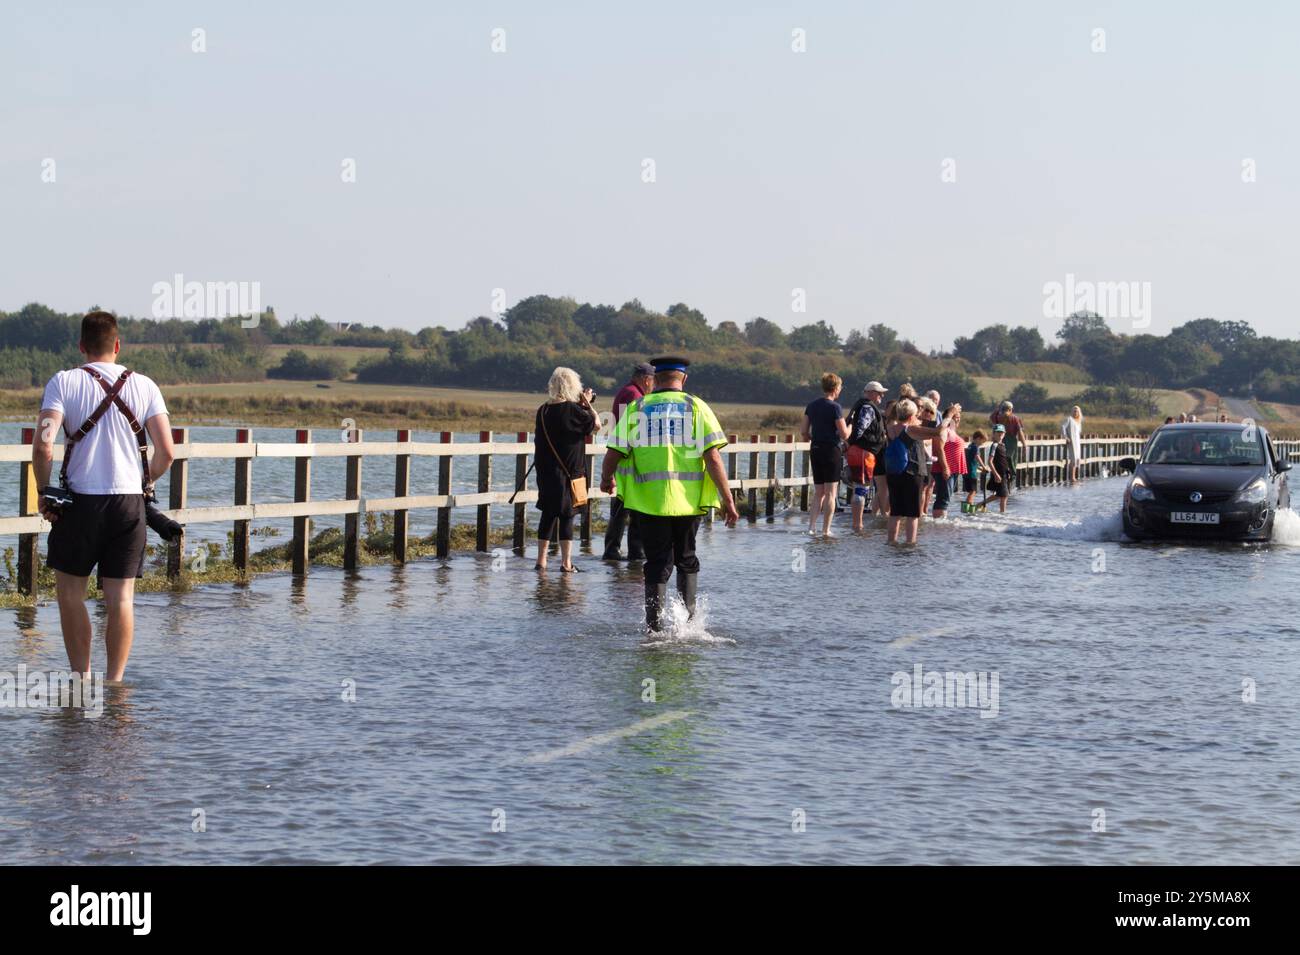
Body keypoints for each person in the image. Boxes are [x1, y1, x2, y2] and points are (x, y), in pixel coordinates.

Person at [33, 310, 175, 683]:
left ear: (81, 346)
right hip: (129, 505)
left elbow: (44, 446)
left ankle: (82, 680)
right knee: (121, 599)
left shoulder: (63, 382)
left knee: (70, 595)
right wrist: (145, 483)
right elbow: (167, 452)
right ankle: (114, 685)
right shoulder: (146, 386)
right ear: (117, 345)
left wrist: (44, 492)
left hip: (80, 504)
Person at [599, 356, 739, 631]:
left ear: (655, 380)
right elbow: (713, 457)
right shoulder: (695, 406)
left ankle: (654, 628)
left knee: (656, 563)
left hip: (649, 502)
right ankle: (688, 625)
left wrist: (606, 479)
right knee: (686, 558)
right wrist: (728, 499)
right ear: (683, 379)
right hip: (688, 503)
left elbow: (614, 451)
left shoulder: (638, 407)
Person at [533, 367, 597, 573]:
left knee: (548, 514)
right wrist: (587, 403)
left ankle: (541, 560)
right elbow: (595, 425)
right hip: (571, 471)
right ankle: (566, 562)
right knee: (567, 515)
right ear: (573, 386)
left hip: (546, 471)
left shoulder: (543, 410)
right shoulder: (575, 410)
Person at [601, 361, 656, 561]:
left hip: (622, 458)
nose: (654, 387)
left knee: (621, 507)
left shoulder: (626, 391)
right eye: (653, 382)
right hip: (631, 460)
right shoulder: (635, 396)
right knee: (631, 508)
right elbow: (634, 432)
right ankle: (630, 551)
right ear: (646, 379)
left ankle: (615, 549)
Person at [882, 398, 944, 544]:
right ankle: (910, 543)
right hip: (911, 473)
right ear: (911, 416)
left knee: (895, 512)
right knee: (912, 514)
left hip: (894, 473)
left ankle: (891, 542)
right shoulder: (911, 430)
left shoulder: (890, 428)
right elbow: (938, 431)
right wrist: (948, 416)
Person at [802, 373, 850, 536]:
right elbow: (844, 434)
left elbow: (803, 431)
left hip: (815, 449)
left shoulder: (812, 405)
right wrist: (850, 428)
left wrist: (814, 437)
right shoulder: (835, 407)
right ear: (836, 388)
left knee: (819, 492)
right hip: (831, 451)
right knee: (831, 492)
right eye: (840, 387)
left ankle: (811, 527)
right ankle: (826, 529)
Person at [843, 380, 889, 528]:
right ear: (872, 393)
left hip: (861, 451)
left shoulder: (862, 406)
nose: (882, 395)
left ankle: (858, 523)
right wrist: (850, 443)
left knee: (861, 487)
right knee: (861, 488)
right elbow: (860, 429)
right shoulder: (868, 408)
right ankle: (858, 525)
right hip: (863, 452)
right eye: (880, 393)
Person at [934, 405, 967, 518]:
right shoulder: (945, 430)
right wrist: (945, 467)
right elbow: (939, 448)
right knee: (943, 499)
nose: (957, 419)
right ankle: (939, 524)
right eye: (955, 416)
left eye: (959, 417)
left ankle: (941, 522)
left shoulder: (952, 431)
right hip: (945, 469)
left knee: (946, 498)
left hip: (953, 470)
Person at [989, 400, 1025, 491]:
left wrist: (998, 408)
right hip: (1009, 441)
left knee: (1002, 460)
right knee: (1010, 461)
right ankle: (1009, 480)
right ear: (1011, 409)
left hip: (1001, 440)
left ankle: (1001, 482)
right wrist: (1024, 445)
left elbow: (991, 417)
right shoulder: (1014, 418)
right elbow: (1020, 433)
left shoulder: (997, 416)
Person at [984, 425, 1011, 513]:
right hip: (998, 474)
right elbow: (990, 461)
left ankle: (980, 504)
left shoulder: (1003, 445)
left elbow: (1003, 461)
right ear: (993, 434)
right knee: (1004, 496)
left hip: (1004, 474)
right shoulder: (995, 445)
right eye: (998, 432)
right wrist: (996, 474)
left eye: (1002, 432)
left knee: (1000, 495)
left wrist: (1008, 471)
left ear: (1004, 434)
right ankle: (1002, 515)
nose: (1000, 434)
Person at [963, 429, 987, 511]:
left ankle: (967, 507)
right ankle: (968, 508)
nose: (982, 444)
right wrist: (984, 466)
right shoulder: (975, 447)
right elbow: (977, 457)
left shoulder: (970, 446)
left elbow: (971, 461)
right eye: (982, 442)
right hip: (971, 474)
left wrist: (979, 468)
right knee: (973, 491)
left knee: (971, 491)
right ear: (978, 439)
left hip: (967, 472)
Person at [1062, 405, 1083, 483]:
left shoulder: (1078, 421)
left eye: (1077, 411)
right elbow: (1063, 427)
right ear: (1072, 412)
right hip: (1072, 442)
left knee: (1077, 459)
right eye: (1074, 411)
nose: (1075, 412)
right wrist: (1066, 437)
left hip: (1077, 442)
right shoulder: (1069, 419)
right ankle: (1072, 477)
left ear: (1079, 412)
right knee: (1073, 459)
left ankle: (1074, 476)